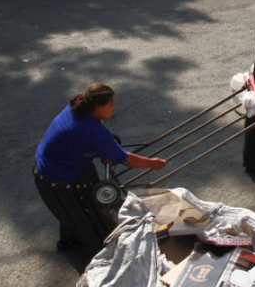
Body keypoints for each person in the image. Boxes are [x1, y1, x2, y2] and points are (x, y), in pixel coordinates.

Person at [33, 83, 167, 251]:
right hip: (61, 177)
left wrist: (105, 151)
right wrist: (151, 163)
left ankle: (68, 241)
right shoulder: (94, 132)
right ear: (97, 107)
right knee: (90, 218)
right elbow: (124, 159)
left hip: (47, 167)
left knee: (71, 211)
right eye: (110, 103)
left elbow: (91, 140)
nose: (114, 106)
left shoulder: (75, 107)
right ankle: (106, 254)